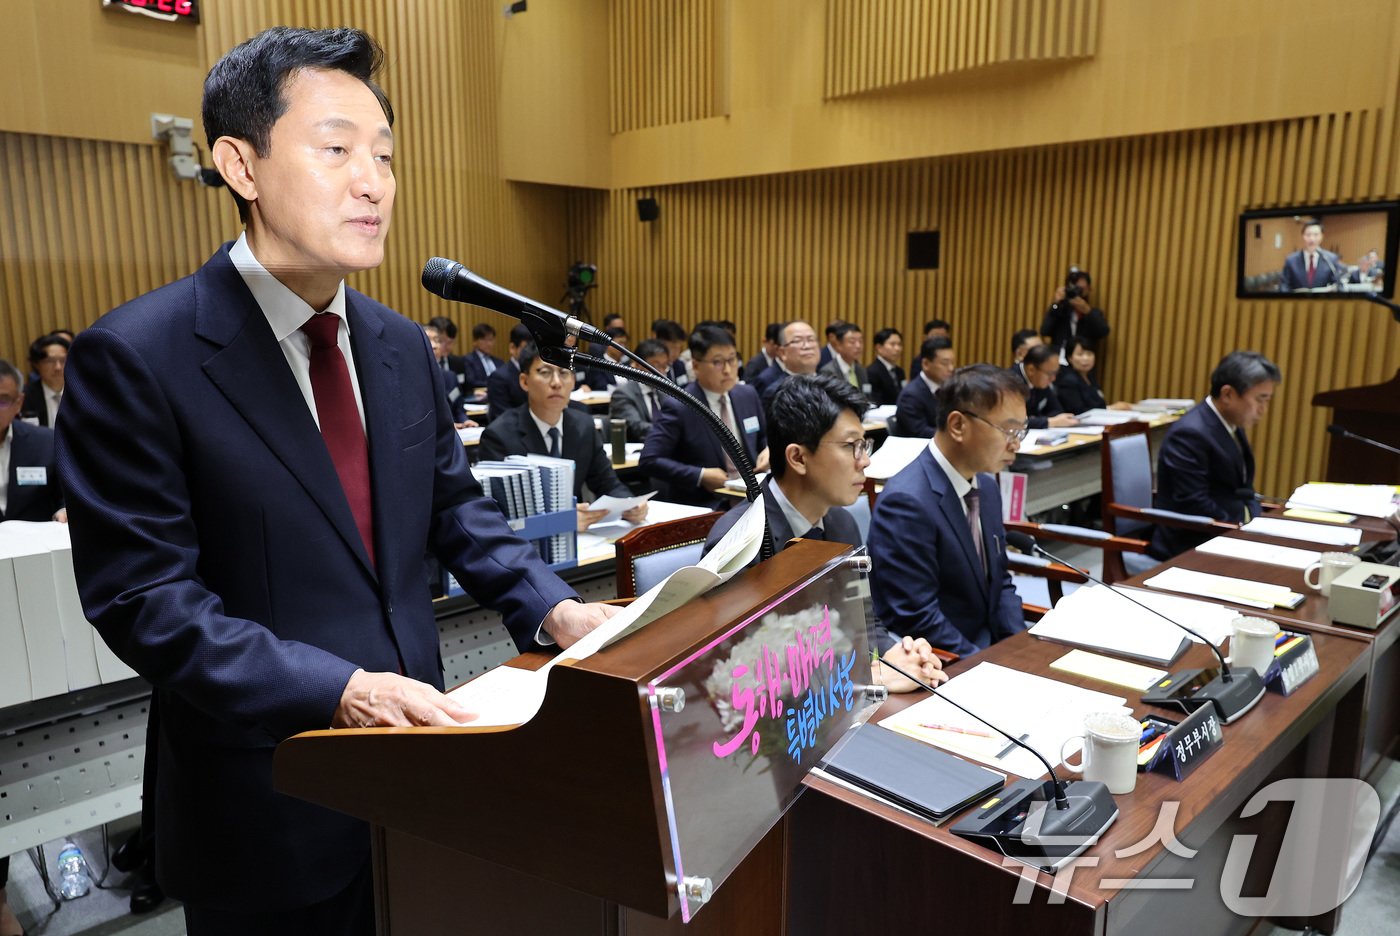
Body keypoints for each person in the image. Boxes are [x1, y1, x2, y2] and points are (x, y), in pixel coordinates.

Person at [54, 28, 617, 935]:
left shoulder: (396, 343)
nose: (374, 182)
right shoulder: (139, 356)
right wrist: (340, 689)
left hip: (424, 772)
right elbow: (146, 601)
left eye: (386, 156)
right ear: (241, 163)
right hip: (267, 794)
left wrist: (554, 609)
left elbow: (451, 507)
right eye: (337, 149)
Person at [704, 374, 944, 692]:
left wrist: (896, 655)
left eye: (865, 445)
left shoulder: (842, 523)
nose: (866, 461)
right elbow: (743, 676)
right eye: (851, 447)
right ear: (798, 458)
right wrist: (864, 679)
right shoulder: (739, 543)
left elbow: (864, 621)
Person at [867, 365, 1029, 658]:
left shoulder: (987, 487)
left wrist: (1019, 649)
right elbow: (918, 619)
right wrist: (986, 665)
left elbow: (1000, 584)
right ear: (957, 425)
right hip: (945, 663)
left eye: (1021, 430)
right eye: (1008, 429)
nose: (1016, 443)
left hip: (989, 651)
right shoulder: (907, 503)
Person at [478, 343, 648, 531]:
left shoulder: (583, 426)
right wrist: (559, 522)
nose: (557, 382)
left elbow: (607, 483)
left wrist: (630, 504)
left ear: (573, 381)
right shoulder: (499, 436)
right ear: (524, 382)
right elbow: (497, 514)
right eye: (545, 372)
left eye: (564, 373)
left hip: (582, 541)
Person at [1149, 351, 1280, 560]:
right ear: (1227, 394)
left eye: (1267, 400)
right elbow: (1194, 504)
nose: (1263, 409)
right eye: (1259, 400)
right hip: (1192, 544)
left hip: (1226, 531)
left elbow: (1244, 490)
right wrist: (1240, 531)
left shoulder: (1229, 423)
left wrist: (1256, 522)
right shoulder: (1190, 433)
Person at [640, 326, 770, 508]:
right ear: (695, 365)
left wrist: (767, 450)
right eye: (717, 362)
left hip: (754, 497)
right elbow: (649, 459)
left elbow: (763, 436)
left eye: (732, 360)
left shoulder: (747, 394)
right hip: (708, 504)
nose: (727, 370)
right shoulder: (680, 405)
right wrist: (700, 475)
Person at [0, 359, 66, 523]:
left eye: (3, 401)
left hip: (37, 545)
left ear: (18, 403)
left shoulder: (46, 443)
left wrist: (64, 510)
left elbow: (65, 496)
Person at [608, 339, 670, 441]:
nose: (661, 372)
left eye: (664, 366)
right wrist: (671, 431)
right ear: (638, 365)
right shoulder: (623, 394)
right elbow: (636, 427)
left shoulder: (665, 393)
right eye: (656, 366)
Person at [892, 336, 954, 438]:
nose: (951, 368)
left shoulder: (949, 389)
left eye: (952, 363)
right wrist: (952, 436)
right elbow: (920, 432)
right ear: (926, 364)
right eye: (945, 363)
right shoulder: (910, 395)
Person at [1055, 335, 1133, 414]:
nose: (1085, 358)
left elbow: (1099, 404)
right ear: (1070, 358)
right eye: (1080, 354)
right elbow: (1077, 411)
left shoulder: (1090, 377)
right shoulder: (1068, 380)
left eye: (1089, 354)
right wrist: (1111, 408)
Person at [1041, 268, 1110, 356]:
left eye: (1081, 289)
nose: (1077, 292)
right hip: (1059, 359)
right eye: (1074, 288)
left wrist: (1088, 311)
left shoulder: (1093, 313)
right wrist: (1056, 303)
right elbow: (1044, 331)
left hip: (1083, 360)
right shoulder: (1059, 309)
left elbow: (1103, 332)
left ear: (1089, 289)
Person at [1012, 343, 1078, 429]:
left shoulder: (1040, 381)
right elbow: (1015, 421)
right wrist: (1049, 421)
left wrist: (1038, 420)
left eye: (1056, 373)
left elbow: (1056, 410)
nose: (1053, 379)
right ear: (1031, 369)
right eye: (1050, 374)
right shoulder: (1010, 383)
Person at [756, 320, 820, 404]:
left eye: (811, 339)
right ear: (782, 352)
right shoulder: (775, 392)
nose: (807, 346)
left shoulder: (832, 385)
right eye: (797, 341)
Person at [1280, 220, 1348, 291]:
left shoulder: (1331, 258)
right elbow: (1284, 285)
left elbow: (1338, 285)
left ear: (1321, 236)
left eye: (1316, 235)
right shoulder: (1291, 260)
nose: (1312, 239)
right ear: (1303, 236)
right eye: (1308, 235)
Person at [21, 334, 68, 427]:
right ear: (36, 364)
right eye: (50, 361)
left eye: (63, 360)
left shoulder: (83, 393)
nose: (58, 367)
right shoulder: (25, 397)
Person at [487, 322, 532, 420]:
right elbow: (504, 418)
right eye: (527, 348)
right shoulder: (499, 378)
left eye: (535, 348)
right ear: (512, 348)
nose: (532, 354)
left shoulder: (538, 373)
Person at [818, 321, 870, 396]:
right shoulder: (828, 371)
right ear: (839, 345)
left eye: (861, 341)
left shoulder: (861, 370)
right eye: (852, 342)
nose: (858, 346)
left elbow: (867, 396)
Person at [866, 327, 905, 406]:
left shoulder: (900, 371)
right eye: (892, 344)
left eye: (899, 344)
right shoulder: (872, 372)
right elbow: (874, 400)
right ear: (879, 348)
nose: (897, 349)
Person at [459, 321, 503, 388]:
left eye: (491, 340)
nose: (488, 343)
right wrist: (494, 384)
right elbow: (471, 382)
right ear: (475, 341)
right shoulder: (468, 360)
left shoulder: (499, 361)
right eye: (484, 340)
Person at [652, 319, 690, 385]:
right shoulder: (651, 366)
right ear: (660, 343)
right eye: (673, 348)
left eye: (679, 348)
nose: (677, 353)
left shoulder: (679, 365)